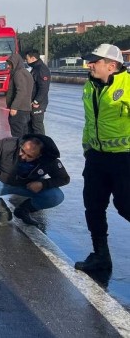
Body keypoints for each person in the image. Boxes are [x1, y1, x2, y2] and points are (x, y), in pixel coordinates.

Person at [75, 43, 130, 272]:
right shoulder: (90, 86)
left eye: (95, 61)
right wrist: (88, 150)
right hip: (96, 158)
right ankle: (101, 256)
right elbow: (90, 122)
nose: (90, 65)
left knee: (126, 205)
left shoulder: (127, 85)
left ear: (112, 65)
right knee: (93, 206)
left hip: (123, 159)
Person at [0, 134, 69, 227]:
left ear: (40, 155)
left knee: (56, 196)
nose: (23, 156)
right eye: (22, 150)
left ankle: (23, 210)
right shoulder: (8, 144)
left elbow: (64, 179)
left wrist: (43, 184)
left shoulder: (49, 160)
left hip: (27, 186)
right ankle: (4, 212)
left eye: (29, 156)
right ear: (22, 144)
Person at [5, 52, 33, 137]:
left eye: (10, 64)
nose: (8, 66)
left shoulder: (18, 74)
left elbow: (21, 91)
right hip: (25, 110)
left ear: (15, 63)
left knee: (17, 136)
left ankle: (18, 150)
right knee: (25, 135)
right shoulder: (26, 73)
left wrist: (14, 107)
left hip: (19, 111)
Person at [25, 49, 51, 135]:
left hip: (38, 104)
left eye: (27, 58)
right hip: (33, 103)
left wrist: (36, 101)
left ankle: (42, 146)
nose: (26, 61)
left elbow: (44, 88)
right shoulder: (35, 68)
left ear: (33, 58)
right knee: (31, 126)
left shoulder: (41, 69)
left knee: (37, 127)